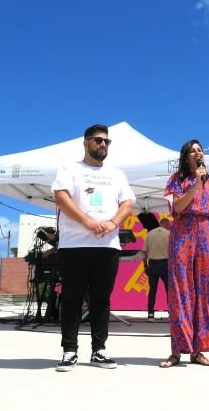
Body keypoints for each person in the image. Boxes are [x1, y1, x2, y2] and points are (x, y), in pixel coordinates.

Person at [51, 124, 135, 372]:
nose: (103, 145)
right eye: (98, 140)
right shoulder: (70, 169)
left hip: (107, 246)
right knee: (72, 299)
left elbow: (127, 203)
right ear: (86, 143)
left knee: (101, 299)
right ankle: (69, 351)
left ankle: (99, 350)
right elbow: (61, 197)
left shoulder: (117, 174)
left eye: (107, 142)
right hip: (74, 245)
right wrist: (88, 222)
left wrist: (112, 223)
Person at [159, 139, 209, 368]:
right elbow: (177, 208)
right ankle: (177, 350)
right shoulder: (175, 181)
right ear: (186, 157)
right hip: (182, 234)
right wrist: (195, 185)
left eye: (200, 150)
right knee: (181, 292)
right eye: (193, 150)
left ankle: (198, 350)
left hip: (208, 236)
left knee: (206, 291)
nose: (198, 153)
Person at [143, 217, 171, 322]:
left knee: (152, 290)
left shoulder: (150, 234)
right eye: (169, 225)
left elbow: (144, 252)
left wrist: (145, 265)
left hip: (153, 263)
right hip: (166, 263)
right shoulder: (169, 234)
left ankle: (150, 314)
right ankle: (171, 313)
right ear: (166, 224)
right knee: (169, 290)